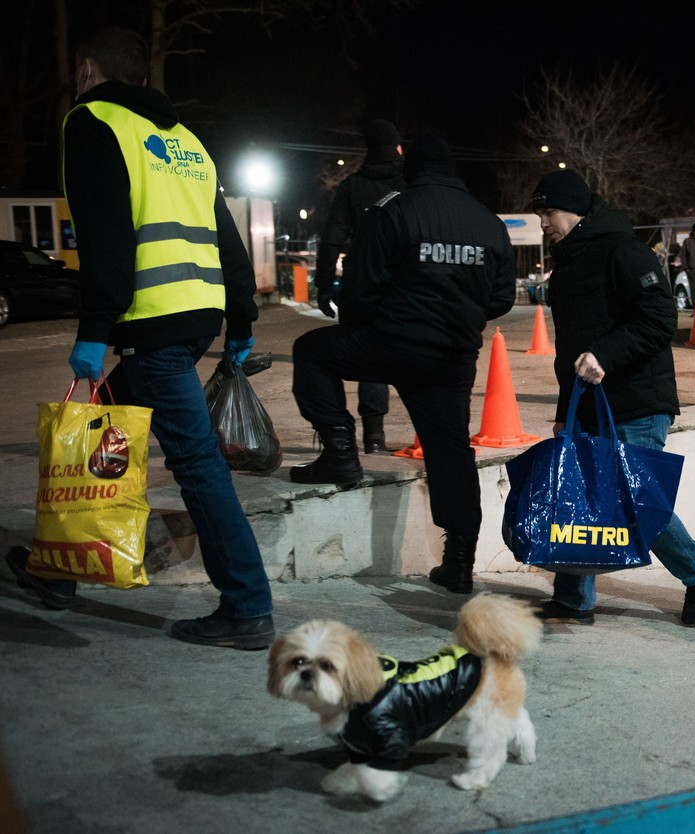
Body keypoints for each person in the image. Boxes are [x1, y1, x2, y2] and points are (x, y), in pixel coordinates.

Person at [4, 26, 275, 649]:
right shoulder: (185, 141)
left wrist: (94, 332)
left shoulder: (92, 121)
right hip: (197, 316)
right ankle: (60, 569)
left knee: (199, 466)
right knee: (101, 435)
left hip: (150, 322)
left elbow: (104, 238)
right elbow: (226, 238)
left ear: (88, 68)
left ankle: (248, 607)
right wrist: (240, 320)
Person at [290, 133, 515, 595]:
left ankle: (339, 451)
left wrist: (369, 325)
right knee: (451, 452)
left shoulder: (392, 209)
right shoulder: (488, 222)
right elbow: (500, 298)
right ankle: (459, 561)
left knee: (312, 352)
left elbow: (360, 288)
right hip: (452, 358)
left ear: (410, 169)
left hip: (391, 345)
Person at [530, 169, 695, 627]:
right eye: (539, 213)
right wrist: (564, 413)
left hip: (636, 399)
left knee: (633, 499)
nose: (543, 223)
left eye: (548, 212)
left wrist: (605, 355)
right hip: (589, 402)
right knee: (581, 497)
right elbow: (568, 352)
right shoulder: (568, 264)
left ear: (575, 211)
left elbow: (659, 319)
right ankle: (575, 598)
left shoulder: (624, 251)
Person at [313, 119, 406, 454]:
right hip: (405, 282)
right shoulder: (409, 182)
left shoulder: (353, 186)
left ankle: (373, 438)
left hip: (363, 282)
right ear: (397, 147)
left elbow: (333, 236)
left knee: (370, 357)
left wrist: (324, 284)